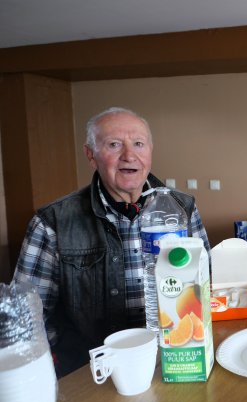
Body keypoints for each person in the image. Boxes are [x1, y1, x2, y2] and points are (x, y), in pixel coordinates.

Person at [12, 107, 211, 378]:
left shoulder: (181, 209)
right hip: (92, 369)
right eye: (114, 144)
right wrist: (56, 373)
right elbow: (25, 321)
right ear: (91, 155)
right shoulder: (53, 222)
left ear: (150, 151)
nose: (129, 155)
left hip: (176, 356)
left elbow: (206, 288)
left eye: (138, 144)